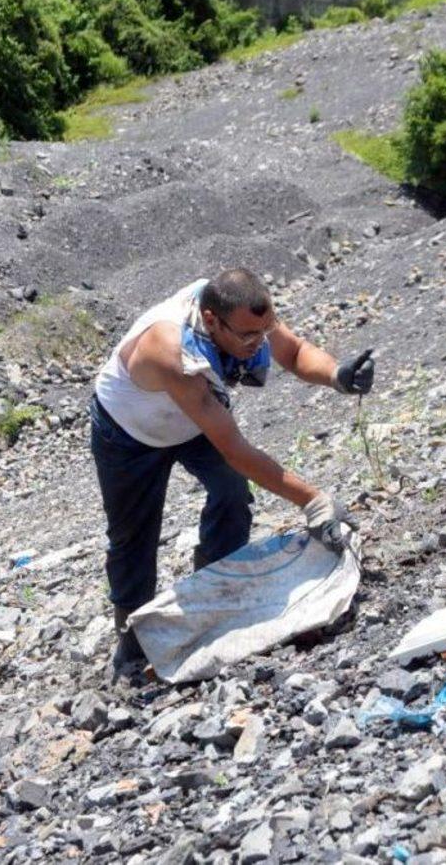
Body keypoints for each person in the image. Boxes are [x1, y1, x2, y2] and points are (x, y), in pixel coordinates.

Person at [90, 269, 374, 673]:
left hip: (193, 422)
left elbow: (293, 353)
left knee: (232, 496)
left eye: (264, 332)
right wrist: (313, 500)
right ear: (210, 321)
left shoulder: (243, 313)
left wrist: (338, 375)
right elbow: (234, 449)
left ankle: (216, 591)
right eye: (248, 338)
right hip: (128, 433)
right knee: (133, 535)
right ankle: (133, 637)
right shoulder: (169, 348)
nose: (259, 343)